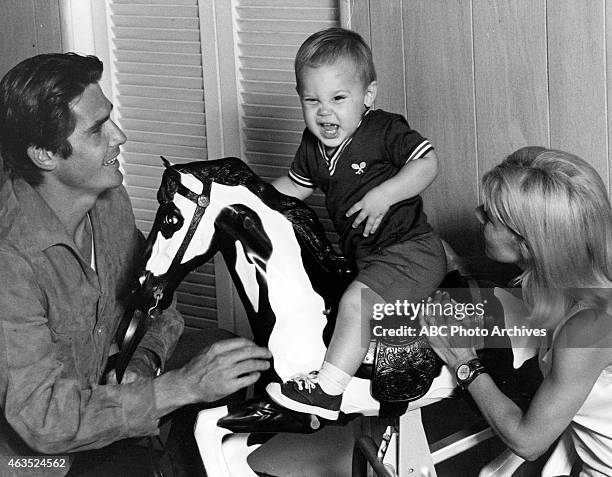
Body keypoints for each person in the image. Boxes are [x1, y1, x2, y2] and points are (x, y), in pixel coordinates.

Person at [0, 53, 271, 476]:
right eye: (97, 131)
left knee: (228, 355)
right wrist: (179, 387)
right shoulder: (9, 257)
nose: (119, 136)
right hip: (39, 459)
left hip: (106, 408)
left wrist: (143, 363)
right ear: (43, 155)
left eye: (110, 119)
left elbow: (157, 302)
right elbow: (44, 419)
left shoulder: (108, 200)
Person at [267, 27, 446, 420]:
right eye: (311, 100)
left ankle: (328, 392)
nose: (324, 111)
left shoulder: (383, 129)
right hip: (371, 259)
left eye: (338, 98)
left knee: (355, 303)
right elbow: (292, 189)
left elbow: (427, 162)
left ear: (367, 96)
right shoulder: (313, 147)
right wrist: (250, 197)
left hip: (409, 251)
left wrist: (387, 193)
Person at [422, 147, 612, 475]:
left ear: (526, 242)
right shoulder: (571, 287)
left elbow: (528, 441)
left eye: (491, 215)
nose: (479, 215)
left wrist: (462, 361)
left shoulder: (590, 325)